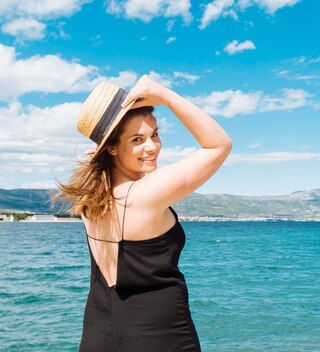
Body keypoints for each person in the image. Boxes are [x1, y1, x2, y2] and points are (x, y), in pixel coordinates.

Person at [53, 75, 232, 351]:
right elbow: (219, 145)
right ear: (111, 147)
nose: (152, 147)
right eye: (137, 139)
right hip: (160, 336)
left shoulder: (91, 199)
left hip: (99, 335)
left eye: (155, 134)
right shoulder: (146, 194)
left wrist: (109, 157)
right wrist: (166, 96)